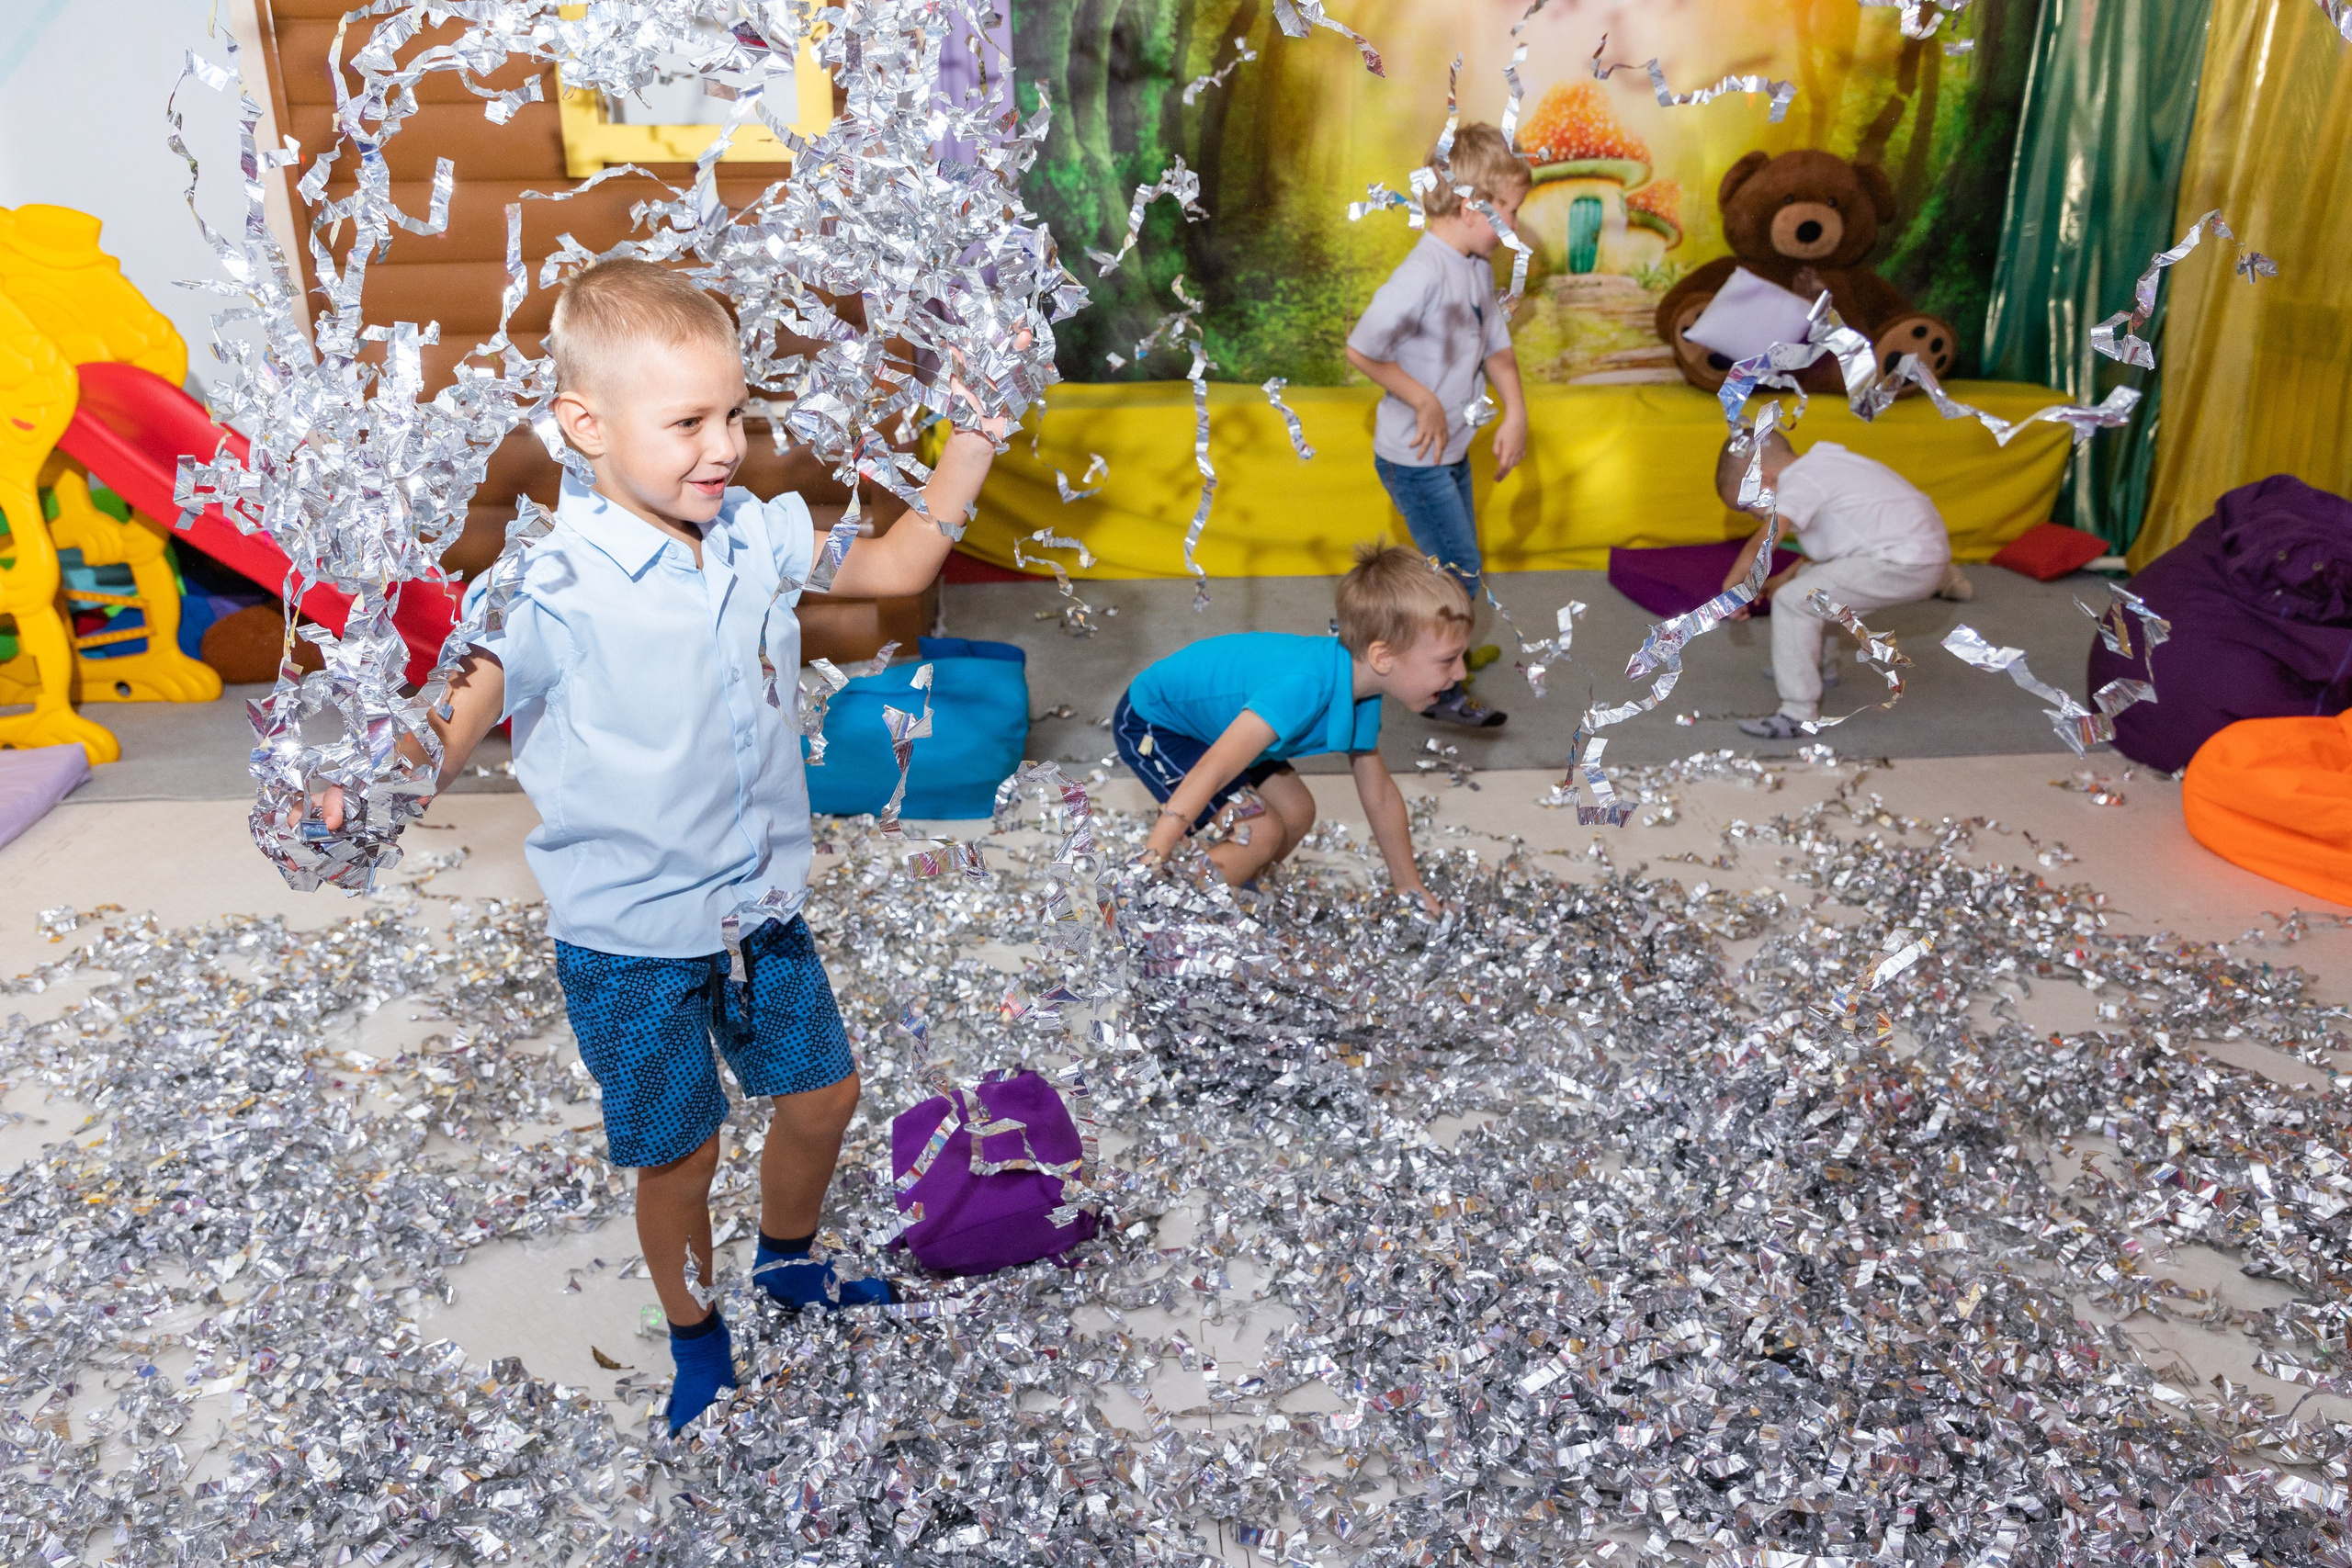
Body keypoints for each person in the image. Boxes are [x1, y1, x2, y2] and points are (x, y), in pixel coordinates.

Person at [306, 258, 1014, 1431]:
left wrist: (976, 437)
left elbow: (894, 570)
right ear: (585, 424)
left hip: (760, 911)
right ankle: (695, 1329)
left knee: (824, 1100)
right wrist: (375, 781)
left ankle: (786, 1259)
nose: (724, 445)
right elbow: (459, 714)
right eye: (687, 421)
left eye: (734, 413)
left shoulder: (751, 535)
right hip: (632, 938)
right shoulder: (547, 585)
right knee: (680, 1158)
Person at [1117, 544, 1464, 911]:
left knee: (1297, 810)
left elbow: (1379, 794)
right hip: (1158, 724)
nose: (1460, 674)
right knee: (1261, 832)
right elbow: (1214, 768)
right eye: (1448, 660)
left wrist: (1409, 888)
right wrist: (1153, 855)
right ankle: (1162, 910)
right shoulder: (1303, 686)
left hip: (1224, 728)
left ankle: (1235, 893)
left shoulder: (1364, 690)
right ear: (1383, 657)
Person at [1343, 120, 1531, 730]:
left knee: (1448, 571)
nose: (1514, 228)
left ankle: (1432, 649)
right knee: (1460, 576)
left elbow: (1497, 345)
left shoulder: (1475, 261)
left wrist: (1516, 411)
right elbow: (1361, 349)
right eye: (1508, 212)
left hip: (1451, 453)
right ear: (1473, 205)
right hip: (1414, 456)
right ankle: (1432, 678)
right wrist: (1420, 397)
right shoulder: (1422, 274)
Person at [1716, 429, 1951, 739]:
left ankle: (1798, 713)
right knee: (1806, 585)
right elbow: (1830, 549)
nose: (1753, 517)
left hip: (1904, 562)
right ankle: (1818, 666)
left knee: (1794, 601)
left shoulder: (1799, 481)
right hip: (1916, 554)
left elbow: (1763, 543)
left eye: (1747, 506)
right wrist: (1784, 576)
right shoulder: (1822, 466)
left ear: (1763, 480)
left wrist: (1735, 589)